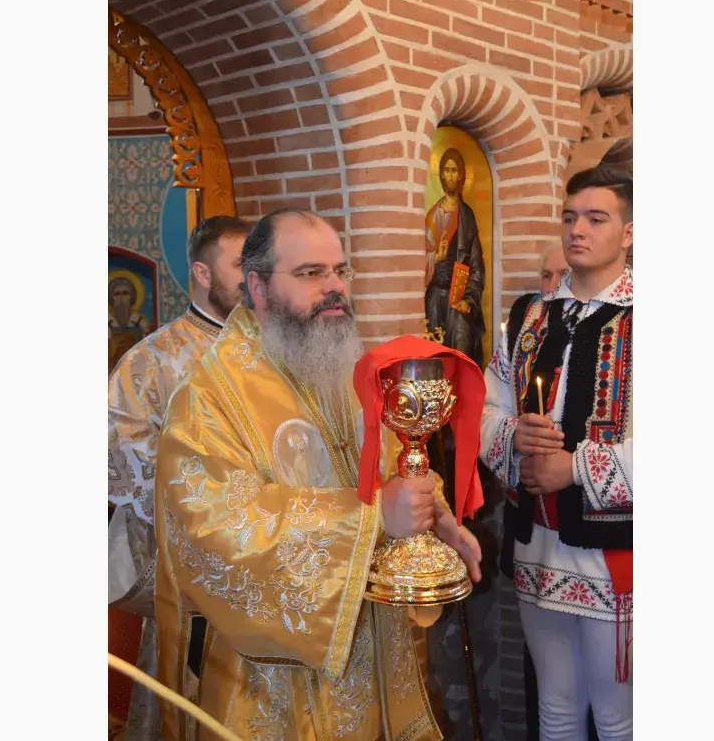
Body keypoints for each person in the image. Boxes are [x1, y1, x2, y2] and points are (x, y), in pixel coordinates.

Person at [153, 209, 483, 741]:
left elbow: (391, 465)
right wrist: (374, 518)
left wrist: (433, 516)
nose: (334, 288)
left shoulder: (337, 366)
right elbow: (216, 533)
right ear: (258, 287)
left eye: (340, 271)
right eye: (311, 273)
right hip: (272, 686)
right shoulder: (207, 399)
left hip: (370, 659)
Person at [480, 166, 634, 741]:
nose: (578, 230)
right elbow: (486, 408)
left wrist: (575, 467)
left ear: (630, 232)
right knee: (556, 709)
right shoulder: (529, 315)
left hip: (616, 552)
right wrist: (512, 438)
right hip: (538, 546)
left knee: (619, 720)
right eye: (570, 217)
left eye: (596, 218)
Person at [108, 214, 253, 741]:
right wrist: (202, 498)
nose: (251, 278)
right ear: (202, 272)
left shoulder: (271, 350)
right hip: (191, 560)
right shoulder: (154, 358)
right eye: (240, 265)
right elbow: (117, 446)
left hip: (265, 554)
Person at [424, 148, 487, 366]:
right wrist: (436, 257)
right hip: (435, 301)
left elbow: (477, 265)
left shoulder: (467, 217)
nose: (450, 175)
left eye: (454, 170)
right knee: (435, 363)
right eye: (446, 170)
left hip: (458, 300)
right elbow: (419, 263)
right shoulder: (433, 216)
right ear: (441, 175)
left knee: (462, 359)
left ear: (461, 175)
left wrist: (469, 300)